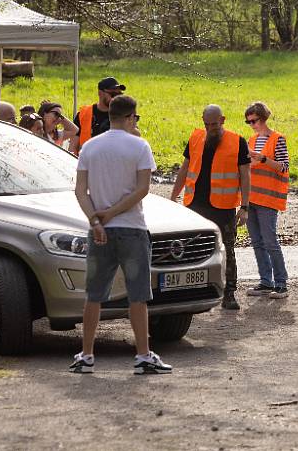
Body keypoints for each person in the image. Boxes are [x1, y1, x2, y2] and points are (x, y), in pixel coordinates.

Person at [70, 95, 171, 375]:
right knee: (137, 295)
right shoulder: (139, 146)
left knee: (94, 294)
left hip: (99, 230)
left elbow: (80, 190)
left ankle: (86, 355)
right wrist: (113, 213)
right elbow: (142, 189)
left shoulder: (90, 146)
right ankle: (142, 355)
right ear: (130, 117)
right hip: (132, 228)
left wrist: (96, 220)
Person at [170, 104, 251, 311]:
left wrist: (245, 207)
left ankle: (229, 293)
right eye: (207, 124)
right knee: (189, 249)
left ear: (222, 120)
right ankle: (190, 294)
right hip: (194, 204)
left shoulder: (237, 142)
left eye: (214, 124)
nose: (210, 128)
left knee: (228, 249)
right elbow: (185, 169)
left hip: (222, 208)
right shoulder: (196, 137)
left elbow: (245, 175)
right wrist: (173, 196)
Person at [244, 101, 291, 299]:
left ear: (263, 119)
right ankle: (265, 281)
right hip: (251, 197)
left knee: (270, 242)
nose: (252, 125)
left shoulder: (278, 139)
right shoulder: (252, 140)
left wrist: (263, 159)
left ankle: (281, 283)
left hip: (268, 199)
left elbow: (284, 167)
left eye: (253, 121)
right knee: (257, 241)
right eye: (248, 122)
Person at [71, 77, 125, 154]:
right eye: (113, 94)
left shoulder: (124, 115)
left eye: (119, 95)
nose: (116, 98)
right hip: (87, 162)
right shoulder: (84, 114)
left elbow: (134, 138)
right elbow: (73, 146)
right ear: (100, 93)